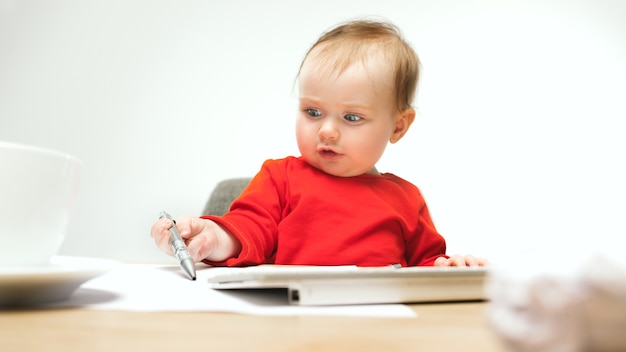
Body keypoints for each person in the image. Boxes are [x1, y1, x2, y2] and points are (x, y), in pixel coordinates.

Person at [151, 19, 488, 268]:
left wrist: (449, 268)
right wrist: (211, 237)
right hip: (296, 320)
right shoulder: (279, 178)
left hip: (379, 326)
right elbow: (247, 231)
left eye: (351, 117)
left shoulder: (406, 199)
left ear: (398, 126)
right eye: (313, 111)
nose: (326, 131)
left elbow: (426, 266)